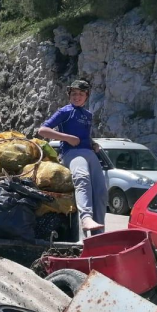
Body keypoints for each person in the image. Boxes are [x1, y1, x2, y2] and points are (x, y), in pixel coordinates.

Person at [37, 79, 106, 234]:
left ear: (86, 96)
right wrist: (67, 138)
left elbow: (84, 136)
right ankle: (86, 218)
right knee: (82, 177)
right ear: (69, 95)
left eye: (81, 94)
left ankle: (99, 232)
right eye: (74, 93)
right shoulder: (65, 111)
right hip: (72, 153)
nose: (77, 97)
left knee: (101, 191)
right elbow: (43, 130)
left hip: (89, 153)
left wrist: (93, 143)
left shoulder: (88, 115)